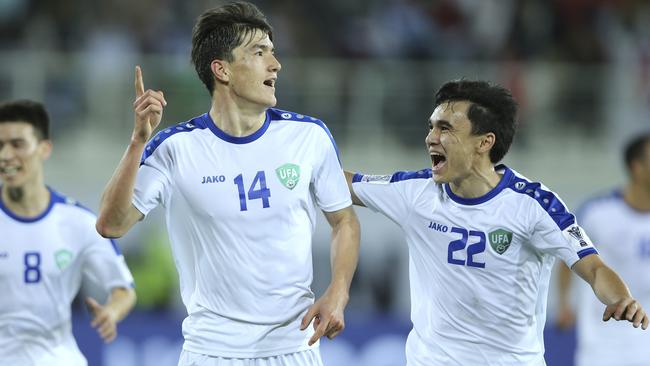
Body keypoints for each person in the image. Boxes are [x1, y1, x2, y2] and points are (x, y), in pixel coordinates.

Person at [95, 2, 360, 365]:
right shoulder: (175, 148)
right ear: (222, 70)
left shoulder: (308, 136)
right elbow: (112, 224)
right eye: (259, 52)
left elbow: (344, 220)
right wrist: (138, 141)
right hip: (211, 351)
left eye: (273, 52)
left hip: (294, 348)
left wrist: (338, 292)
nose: (276, 64)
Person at [345, 80, 648, 365]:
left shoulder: (533, 205)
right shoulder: (415, 192)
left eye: (445, 128)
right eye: (431, 127)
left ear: (484, 142)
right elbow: (339, 183)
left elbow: (593, 268)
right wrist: (301, 156)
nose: (431, 138)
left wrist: (622, 299)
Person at [0, 99, 136, 366]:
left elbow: (124, 289)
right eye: (0, 146)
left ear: (44, 148)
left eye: (17, 144)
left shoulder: (77, 222)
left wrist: (111, 312)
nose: (5, 155)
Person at [555, 133, 650, 366]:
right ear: (636, 167)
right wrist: (565, 304)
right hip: (604, 340)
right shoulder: (597, 212)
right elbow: (568, 259)